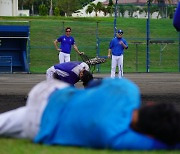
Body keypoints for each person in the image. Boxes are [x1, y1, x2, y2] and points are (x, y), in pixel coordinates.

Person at [0, 78, 180, 150]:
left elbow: (94, 85)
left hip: (51, 91)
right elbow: (160, 144)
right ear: (148, 135)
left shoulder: (128, 89)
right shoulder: (115, 137)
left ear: (151, 104)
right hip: (38, 123)